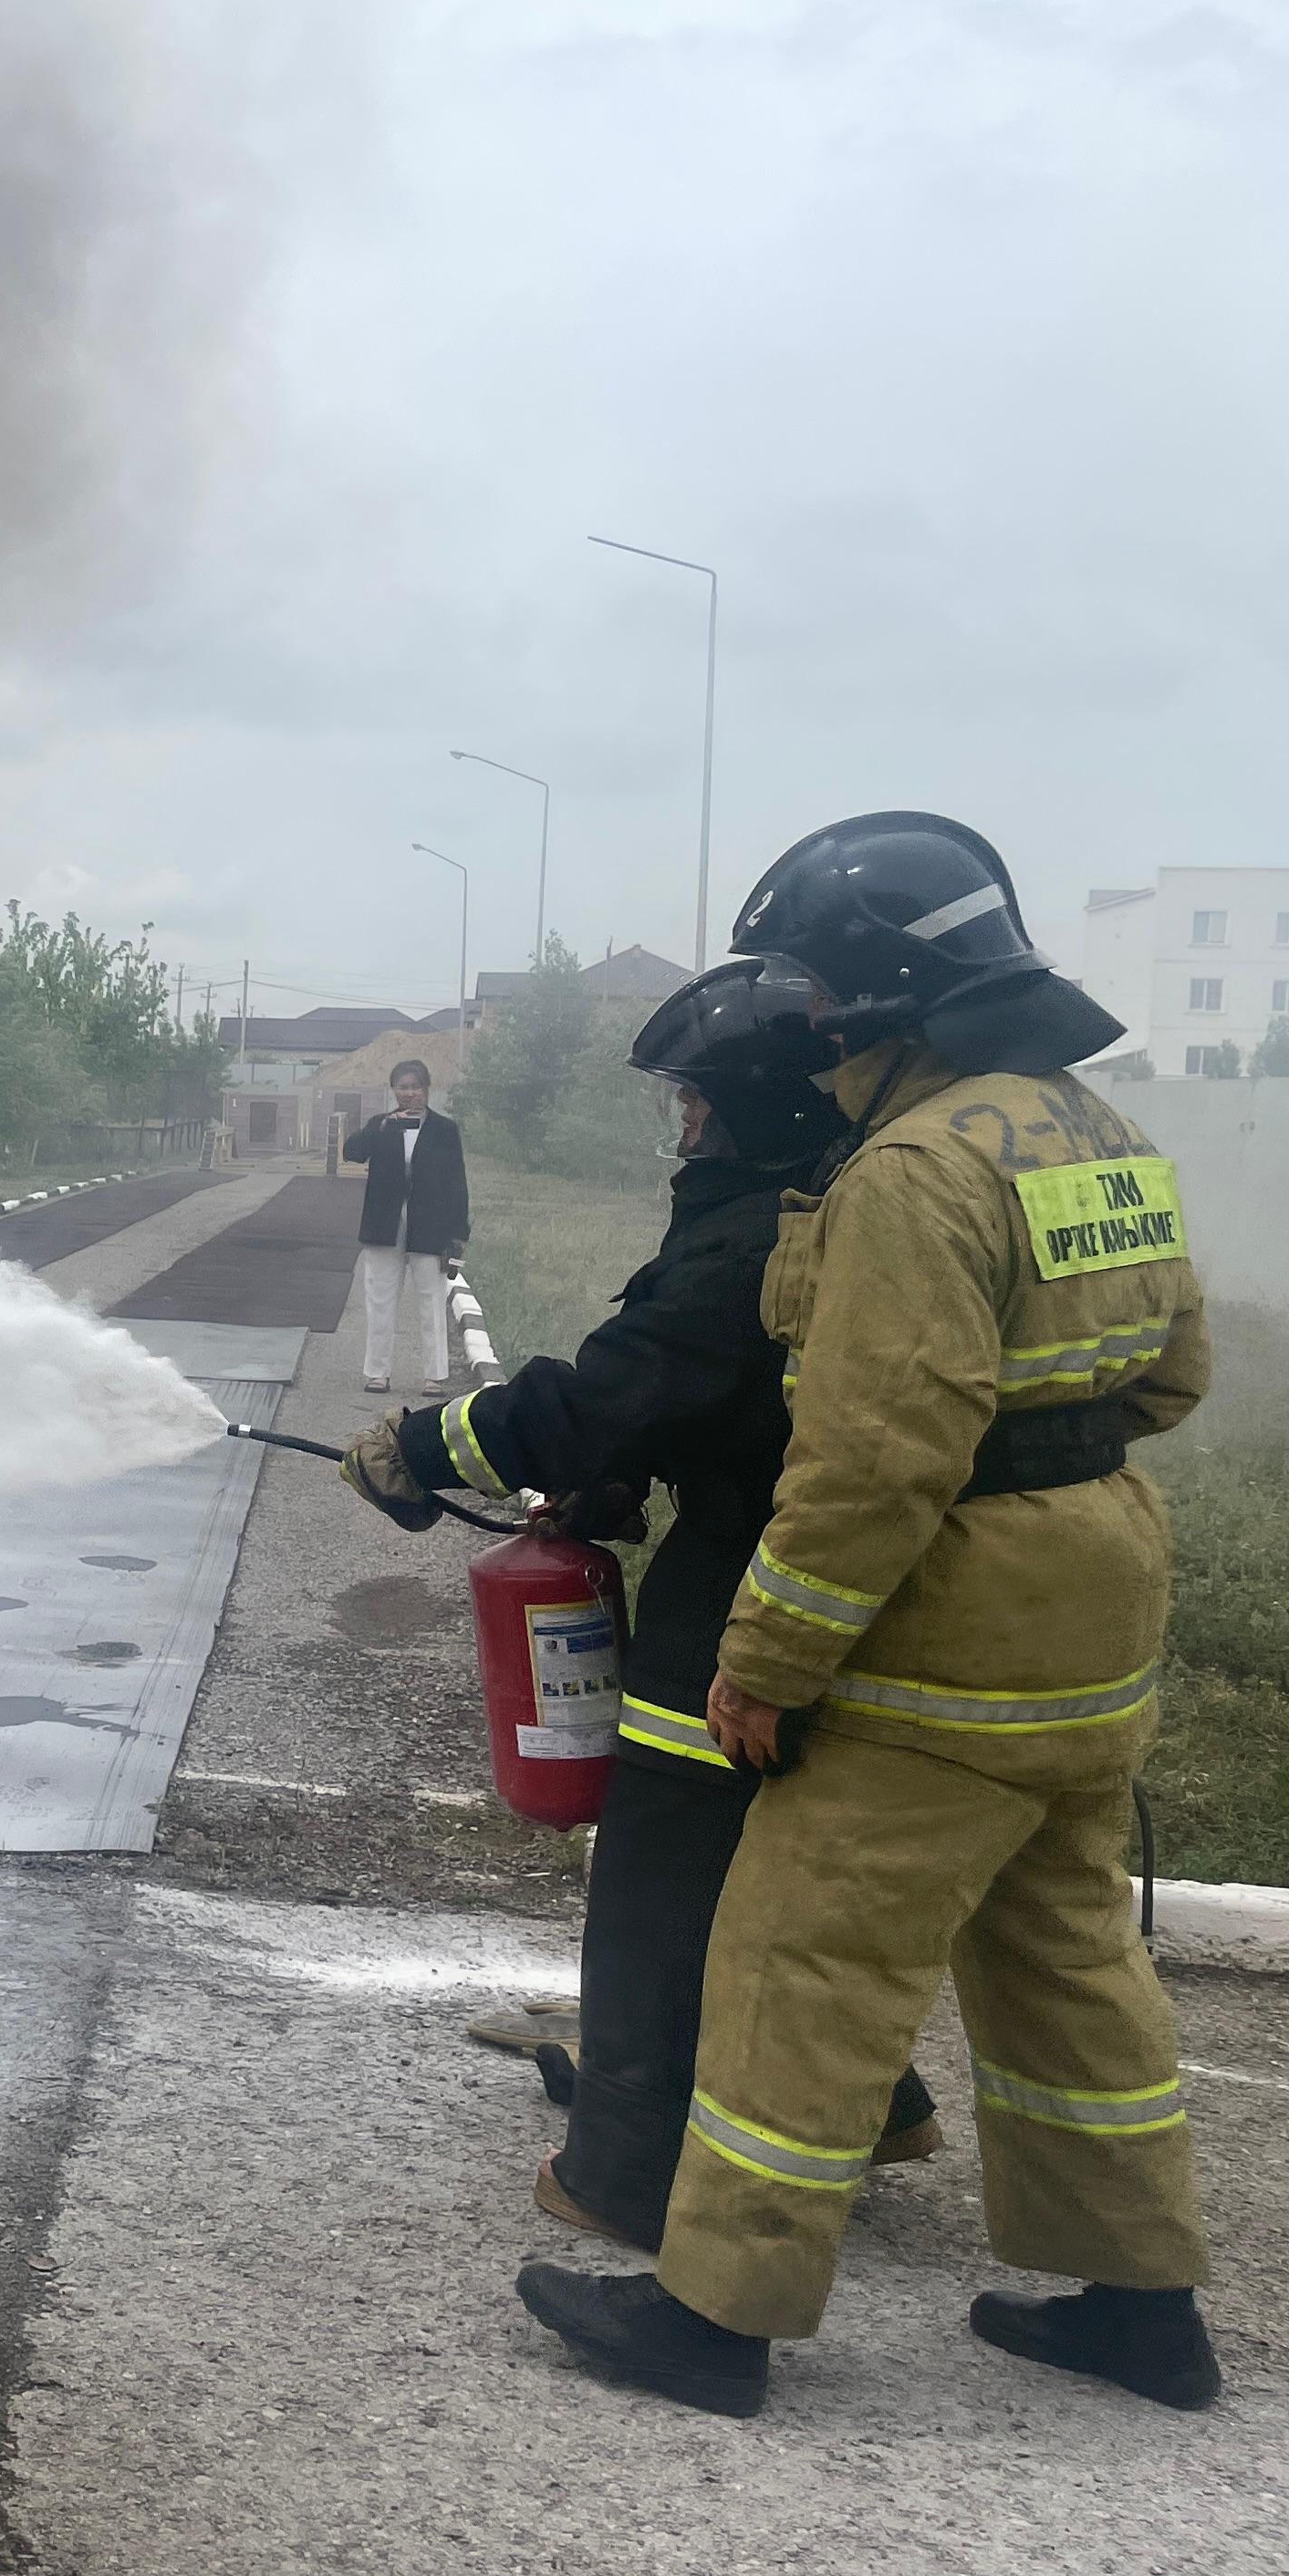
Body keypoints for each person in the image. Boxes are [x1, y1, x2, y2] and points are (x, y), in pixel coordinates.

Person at [516, 812, 1219, 2422]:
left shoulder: (910, 1169)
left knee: (795, 1959)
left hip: (947, 1637)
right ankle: (1142, 2306)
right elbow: (1173, 1373)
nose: (810, 1027)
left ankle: (711, 2314)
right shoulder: (1088, 1127)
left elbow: (873, 1459)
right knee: (1068, 1965)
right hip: (1097, 1606)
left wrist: (764, 1661)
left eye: (822, 991)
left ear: (885, 996)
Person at [341, 964, 940, 2251]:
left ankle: (622, 2165)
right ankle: (878, 2106)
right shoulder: (813, 1204)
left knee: (663, 1867)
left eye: (693, 1102)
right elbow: (702, 1397)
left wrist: (429, 1446)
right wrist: (619, 1475)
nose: (680, 1124)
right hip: (840, 1567)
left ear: (753, 1106)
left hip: (749, 1581)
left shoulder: (756, 1238)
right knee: (775, 1865)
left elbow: (616, 1383)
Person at [344, 1058, 469, 1396]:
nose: (409, 1093)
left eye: (415, 1086)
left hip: (430, 1225)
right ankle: (378, 1373)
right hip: (384, 1225)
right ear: (393, 1090)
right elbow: (351, 1152)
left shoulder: (444, 1129)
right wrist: (381, 1126)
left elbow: (457, 1181)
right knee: (381, 1299)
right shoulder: (381, 1124)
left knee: (431, 1300)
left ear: (427, 1090)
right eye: (402, 1087)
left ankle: (434, 1376)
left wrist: (459, 1234)